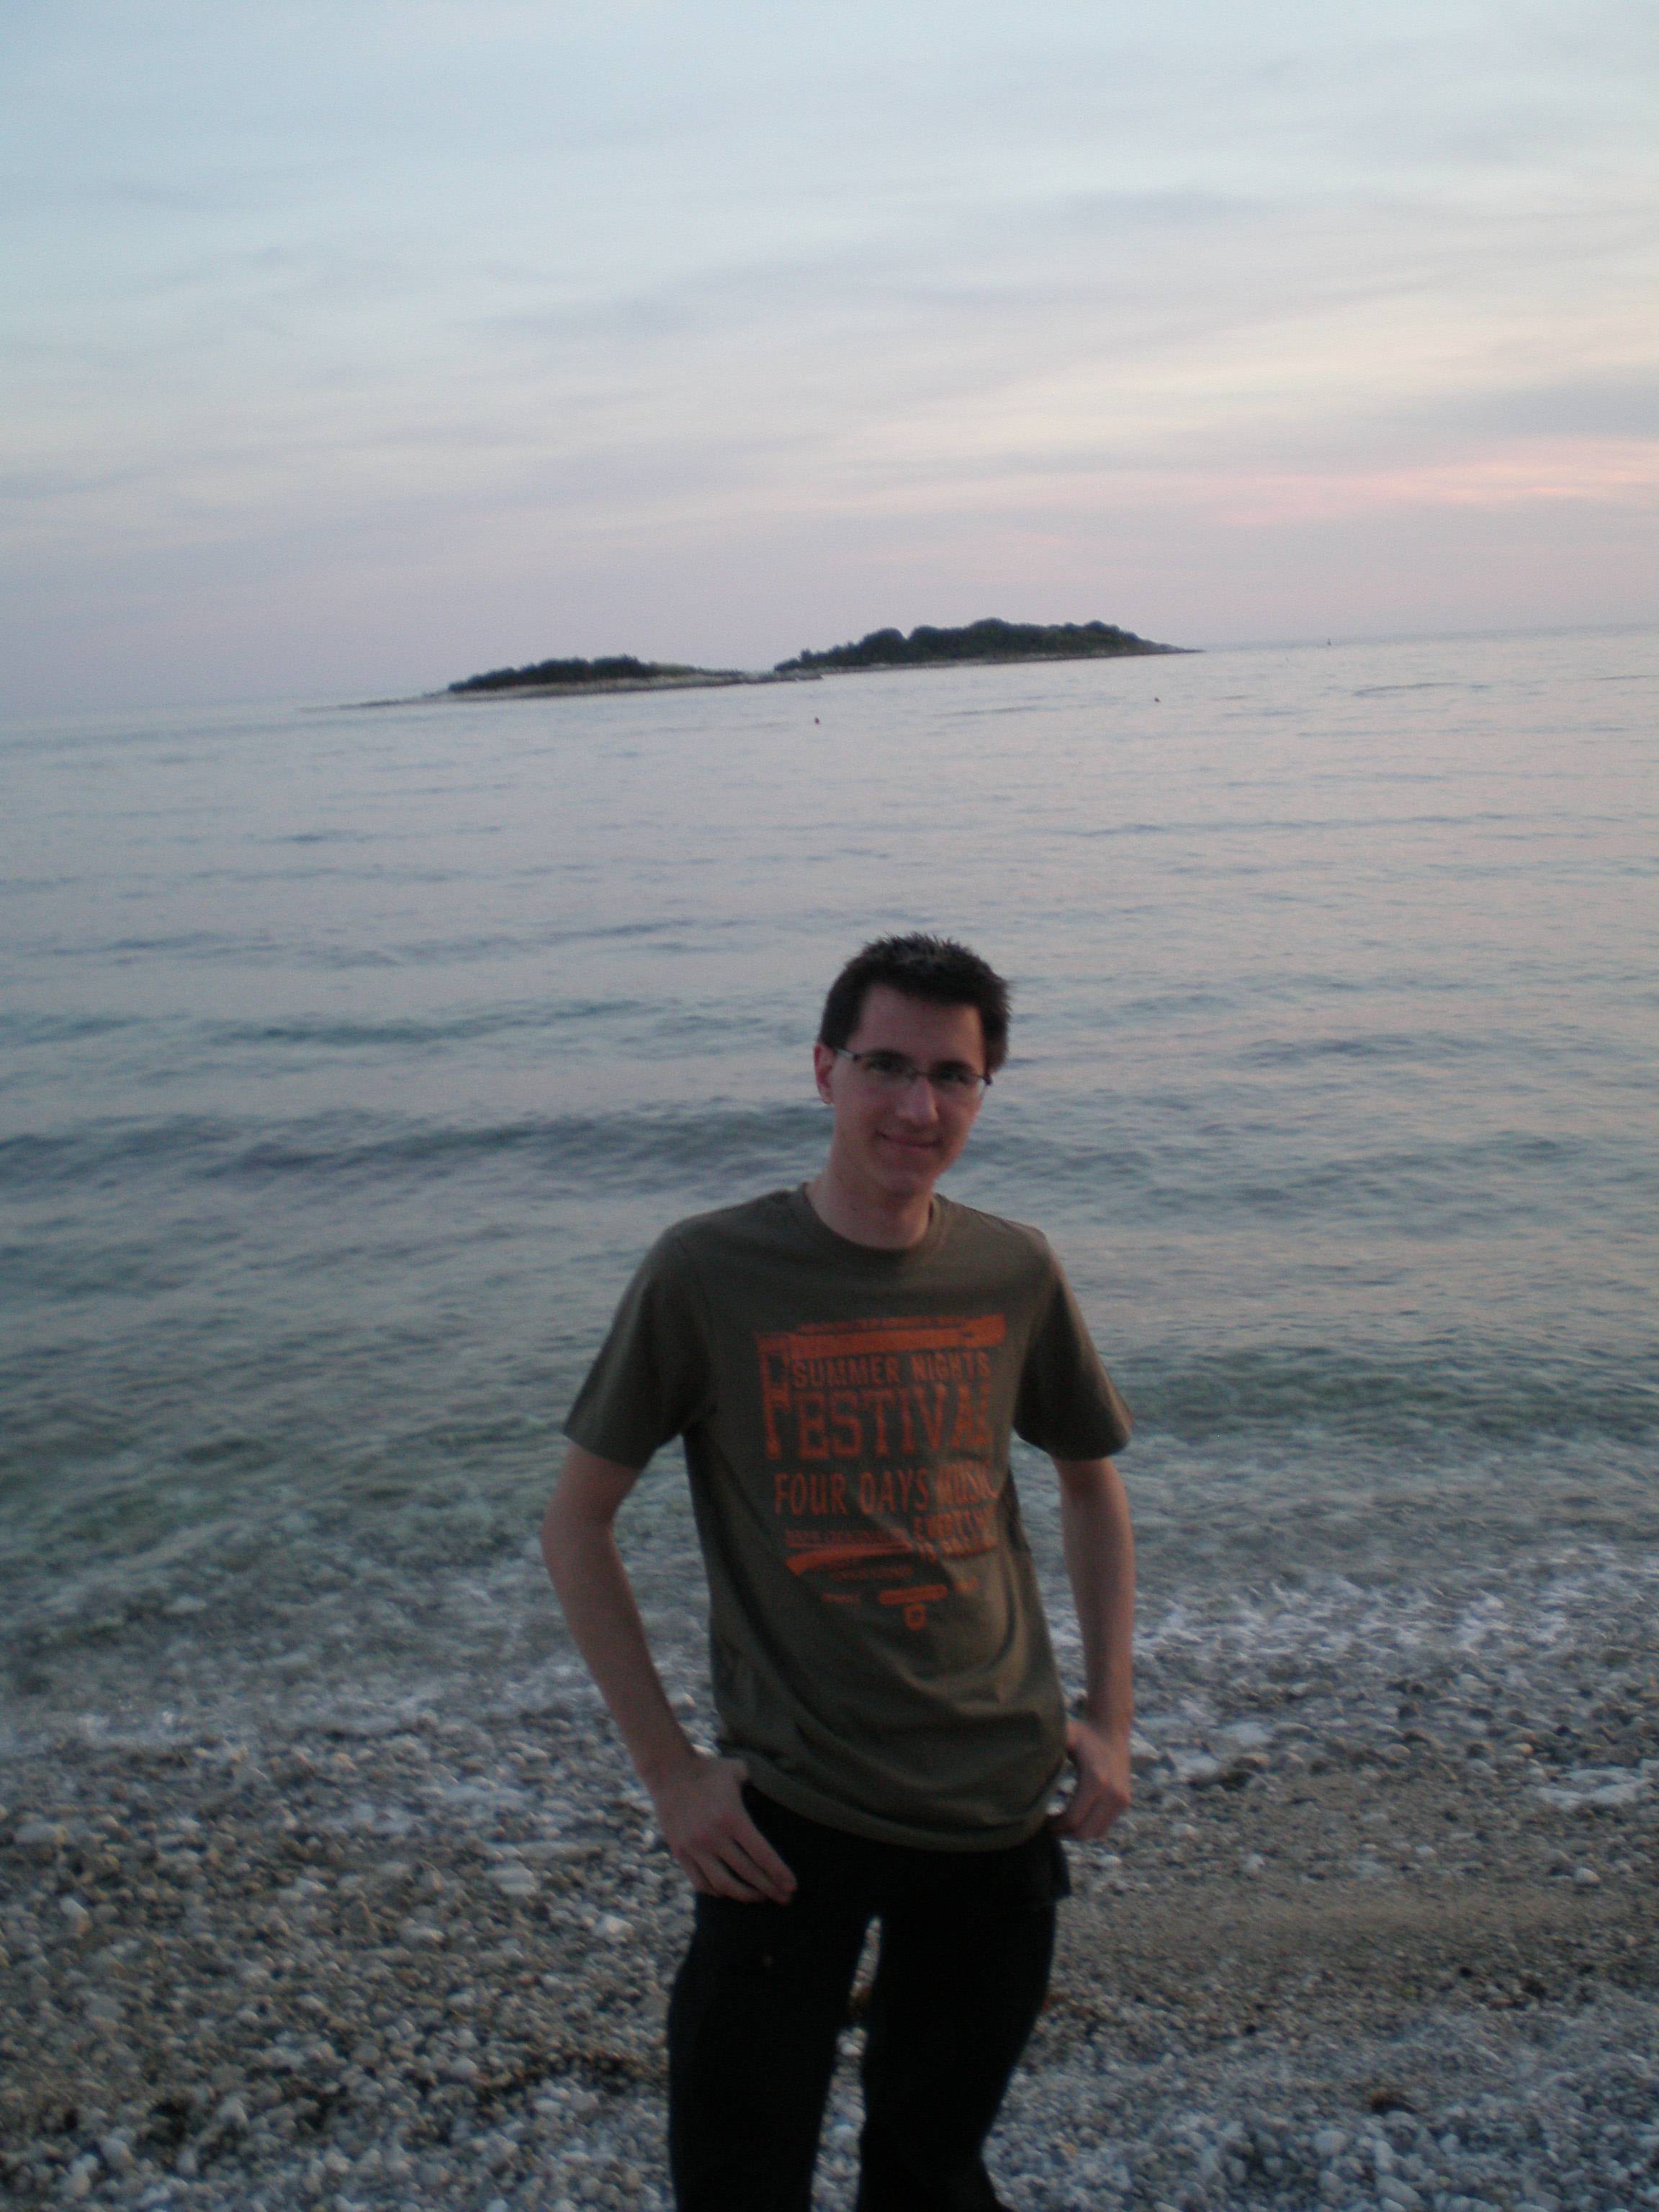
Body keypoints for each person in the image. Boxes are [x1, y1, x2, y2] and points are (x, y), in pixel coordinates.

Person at [542, 933, 1135, 2212]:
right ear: (825, 1071)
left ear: (983, 1092)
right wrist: (672, 1776)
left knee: (932, 2176)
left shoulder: (1014, 1270)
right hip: (787, 1817)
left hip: (995, 1806)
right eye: (886, 1067)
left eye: (953, 1076)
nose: (918, 1108)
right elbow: (576, 1524)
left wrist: (1112, 1719)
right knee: (738, 2180)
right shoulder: (707, 1273)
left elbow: (1092, 1483)